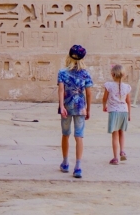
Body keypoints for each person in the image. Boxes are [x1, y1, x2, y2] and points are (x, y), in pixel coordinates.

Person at [58, 44, 93, 178]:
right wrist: (88, 109)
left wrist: (61, 106)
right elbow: (89, 93)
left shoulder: (62, 72)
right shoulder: (85, 74)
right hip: (80, 107)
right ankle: (78, 167)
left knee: (65, 134)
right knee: (79, 136)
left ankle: (65, 163)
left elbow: (61, 90)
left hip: (66, 107)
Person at [102, 64, 131, 165]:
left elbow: (104, 98)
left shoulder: (108, 85)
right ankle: (122, 151)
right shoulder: (127, 87)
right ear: (123, 75)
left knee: (115, 135)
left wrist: (104, 106)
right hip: (124, 111)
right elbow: (128, 101)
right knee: (121, 133)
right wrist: (129, 114)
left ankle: (115, 158)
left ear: (112, 74)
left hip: (114, 111)